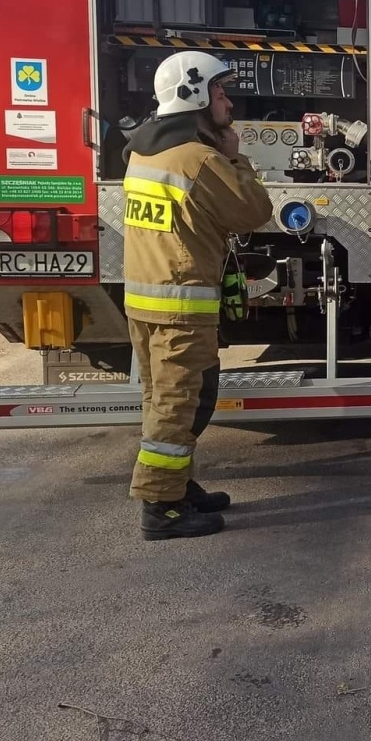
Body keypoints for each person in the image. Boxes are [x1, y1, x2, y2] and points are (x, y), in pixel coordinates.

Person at [122, 51, 272, 541]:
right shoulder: (199, 159)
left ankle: (178, 487)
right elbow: (254, 210)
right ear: (196, 95)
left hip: (148, 302)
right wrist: (234, 154)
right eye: (221, 91)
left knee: (166, 399)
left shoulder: (145, 151)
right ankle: (161, 507)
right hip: (179, 306)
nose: (228, 100)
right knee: (179, 404)